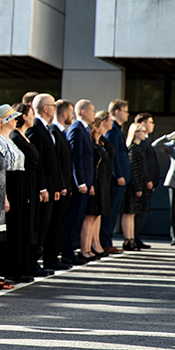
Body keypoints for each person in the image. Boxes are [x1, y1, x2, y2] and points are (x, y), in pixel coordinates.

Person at [0, 105, 24, 283]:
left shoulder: (10, 139)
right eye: (13, 118)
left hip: (16, 184)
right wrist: (5, 195)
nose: (16, 121)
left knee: (12, 231)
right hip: (5, 186)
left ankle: (10, 269)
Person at [11, 103, 47, 276]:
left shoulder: (26, 137)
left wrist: (40, 188)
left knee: (33, 225)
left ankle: (30, 263)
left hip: (33, 184)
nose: (33, 117)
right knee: (24, 226)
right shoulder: (15, 137)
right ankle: (21, 266)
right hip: (24, 184)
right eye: (31, 114)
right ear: (23, 116)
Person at [28, 94, 63, 269]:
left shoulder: (45, 128)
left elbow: (52, 161)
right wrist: (43, 187)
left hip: (50, 187)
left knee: (45, 225)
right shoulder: (35, 127)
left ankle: (38, 260)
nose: (55, 109)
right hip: (42, 188)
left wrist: (55, 186)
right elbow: (38, 162)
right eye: (53, 105)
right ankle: (33, 261)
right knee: (39, 225)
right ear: (45, 108)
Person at [47, 100, 79, 265]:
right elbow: (57, 163)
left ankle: (55, 257)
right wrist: (61, 185)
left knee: (60, 223)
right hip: (60, 186)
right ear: (65, 114)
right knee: (55, 224)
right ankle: (51, 258)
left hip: (65, 186)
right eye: (71, 113)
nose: (73, 116)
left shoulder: (61, 132)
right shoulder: (54, 130)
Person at [62, 100, 95, 260]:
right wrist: (80, 182)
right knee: (74, 218)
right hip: (79, 183)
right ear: (83, 112)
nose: (94, 114)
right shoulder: (76, 129)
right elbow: (76, 158)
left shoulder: (84, 129)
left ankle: (72, 250)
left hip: (86, 181)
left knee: (79, 217)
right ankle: (67, 252)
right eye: (92, 111)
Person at [81, 111, 113, 259]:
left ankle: (93, 246)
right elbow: (92, 166)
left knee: (95, 216)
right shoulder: (92, 146)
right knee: (89, 216)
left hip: (102, 183)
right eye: (100, 125)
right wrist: (91, 184)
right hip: (95, 182)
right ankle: (85, 249)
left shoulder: (101, 143)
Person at [101, 100, 130, 254]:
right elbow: (113, 156)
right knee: (110, 212)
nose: (128, 114)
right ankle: (105, 241)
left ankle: (107, 240)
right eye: (125, 111)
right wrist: (118, 174)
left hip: (121, 177)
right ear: (117, 112)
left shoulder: (117, 130)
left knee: (114, 211)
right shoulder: (112, 130)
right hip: (116, 179)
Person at [121, 122, 150, 251]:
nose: (145, 133)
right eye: (142, 131)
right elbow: (133, 170)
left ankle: (131, 238)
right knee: (128, 213)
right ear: (135, 133)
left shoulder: (138, 148)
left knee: (132, 214)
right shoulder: (133, 149)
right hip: (133, 187)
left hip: (137, 185)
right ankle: (128, 240)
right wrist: (137, 187)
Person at [133, 113, 159, 248]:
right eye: (150, 122)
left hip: (148, 183)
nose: (153, 125)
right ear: (143, 123)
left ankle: (136, 237)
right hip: (143, 182)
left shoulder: (147, 140)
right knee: (137, 211)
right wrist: (148, 180)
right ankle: (133, 237)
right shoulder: (141, 142)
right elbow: (143, 164)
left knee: (142, 211)